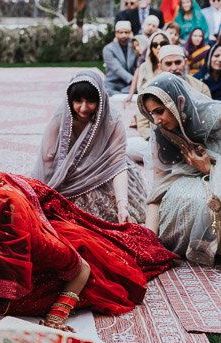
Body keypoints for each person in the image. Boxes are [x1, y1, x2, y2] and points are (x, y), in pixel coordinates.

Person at [0, 172, 176, 328]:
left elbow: (82, 269)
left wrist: (57, 314)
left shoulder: (39, 242)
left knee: (92, 245)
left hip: (27, 196)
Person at [33, 70, 147, 224]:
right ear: (70, 100)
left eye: (90, 101)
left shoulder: (112, 119)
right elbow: (47, 159)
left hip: (105, 173)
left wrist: (122, 206)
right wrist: (42, 192)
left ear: (100, 100)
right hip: (70, 173)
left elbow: (117, 164)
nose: (83, 107)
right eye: (78, 101)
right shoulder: (60, 119)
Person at [137, 73, 221, 265]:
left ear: (179, 102)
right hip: (187, 176)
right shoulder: (162, 130)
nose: (156, 120)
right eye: (152, 114)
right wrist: (150, 243)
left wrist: (209, 169)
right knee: (178, 199)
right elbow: (157, 188)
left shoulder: (215, 117)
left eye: (160, 111)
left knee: (205, 202)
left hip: (215, 173)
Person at [103, 21, 138, 96]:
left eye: (126, 32)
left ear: (130, 33)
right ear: (116, 33)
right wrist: (133, 80)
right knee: (105, 91)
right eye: (121, 32)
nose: (124, 35)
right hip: (113, 83)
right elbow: (117, 69)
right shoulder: (108, 49)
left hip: (130, 85)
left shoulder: (134, 47)